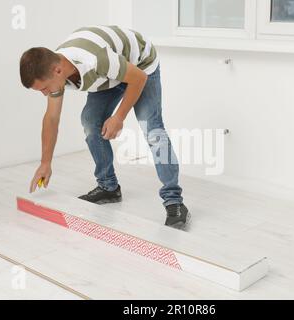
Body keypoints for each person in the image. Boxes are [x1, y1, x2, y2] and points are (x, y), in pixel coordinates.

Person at [19, 25, 190, 230]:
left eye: (44, 88)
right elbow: (51, 118)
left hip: (141, 66)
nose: (45, 94)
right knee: (90, 121)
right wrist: (45, 163)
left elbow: (138, 78)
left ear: (58, 71)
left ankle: (174, 201)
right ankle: (108, 187)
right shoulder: (57, 70)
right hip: (111, 74)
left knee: (152, 128)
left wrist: (119, 117)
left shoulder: (95, 59)